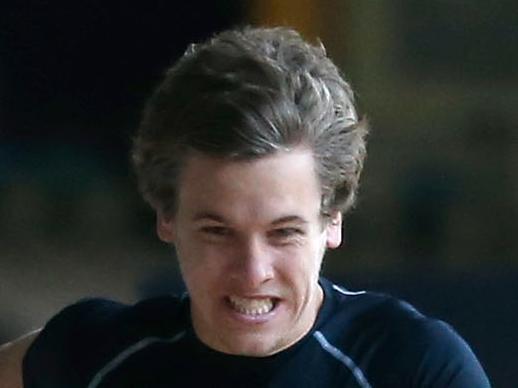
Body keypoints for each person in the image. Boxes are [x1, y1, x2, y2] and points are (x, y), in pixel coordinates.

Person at [0, 26, 490, 387]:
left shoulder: (414, 368)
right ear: (167, 217)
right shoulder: (94, 355)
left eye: (284, 233)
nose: (252, 272)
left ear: (332, 220)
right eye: (217, 230)